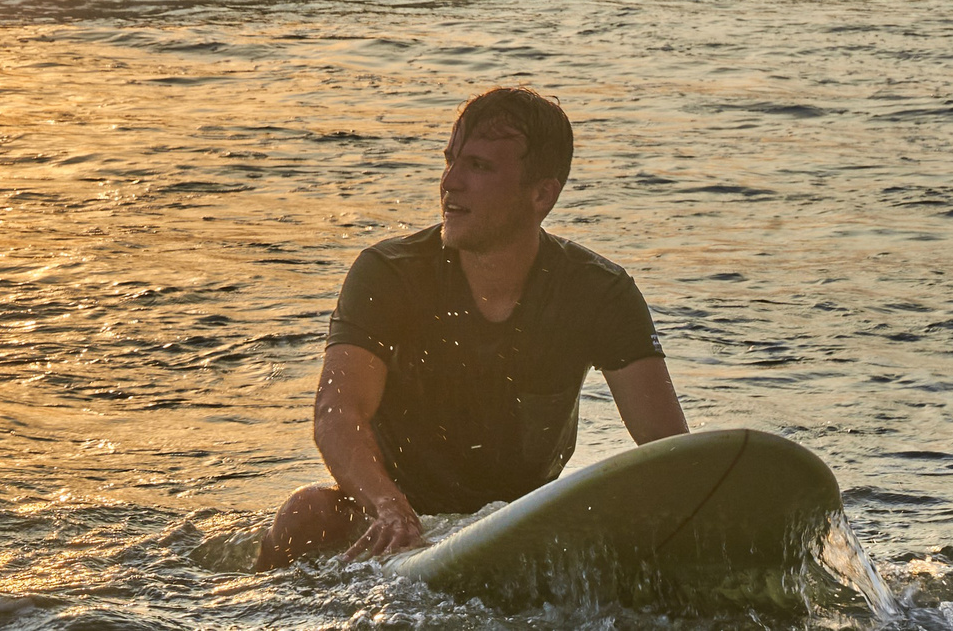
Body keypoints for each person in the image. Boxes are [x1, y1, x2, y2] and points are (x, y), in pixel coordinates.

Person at [255, 87, 689, 569]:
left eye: (478, 166)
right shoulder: (388, 273)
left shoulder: (599, 292)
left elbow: (668, 449)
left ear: (541, 194)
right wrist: (389, 507)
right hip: (399, 519)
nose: (449, 182)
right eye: (450, 161)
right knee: (306, 513)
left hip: (519, 521)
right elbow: (338, 413)